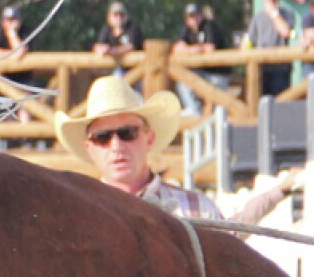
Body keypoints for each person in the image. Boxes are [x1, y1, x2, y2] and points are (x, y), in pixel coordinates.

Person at [54, 75, 298, 224]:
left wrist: (279, 191)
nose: (116, 146)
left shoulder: (195, 208)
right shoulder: (78, 216)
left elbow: (232, 236)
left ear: (149, 139)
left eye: (127, 133)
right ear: (90, 148)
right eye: (103, 137)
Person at [171, 2, 229, 115]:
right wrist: (194, 50)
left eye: (196, 15)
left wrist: (190, 49)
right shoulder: (188, 29)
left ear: (201, 15)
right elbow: (176, 47)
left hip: (218, 74)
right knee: (182, 79)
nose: (194, 19)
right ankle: (194, 110)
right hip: (202, 74)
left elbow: (210, 47)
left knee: (219, 108)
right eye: (191, 16)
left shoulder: (210, 26)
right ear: (187, 19)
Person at [246, 0, 295, 97]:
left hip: (280, 67)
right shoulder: (257, 17)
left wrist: (274, 13)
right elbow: (248, 41)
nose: (271, 0)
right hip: (261, 67)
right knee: (261, 102)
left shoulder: (287, 14)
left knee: (281, 102)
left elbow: (285, 32)